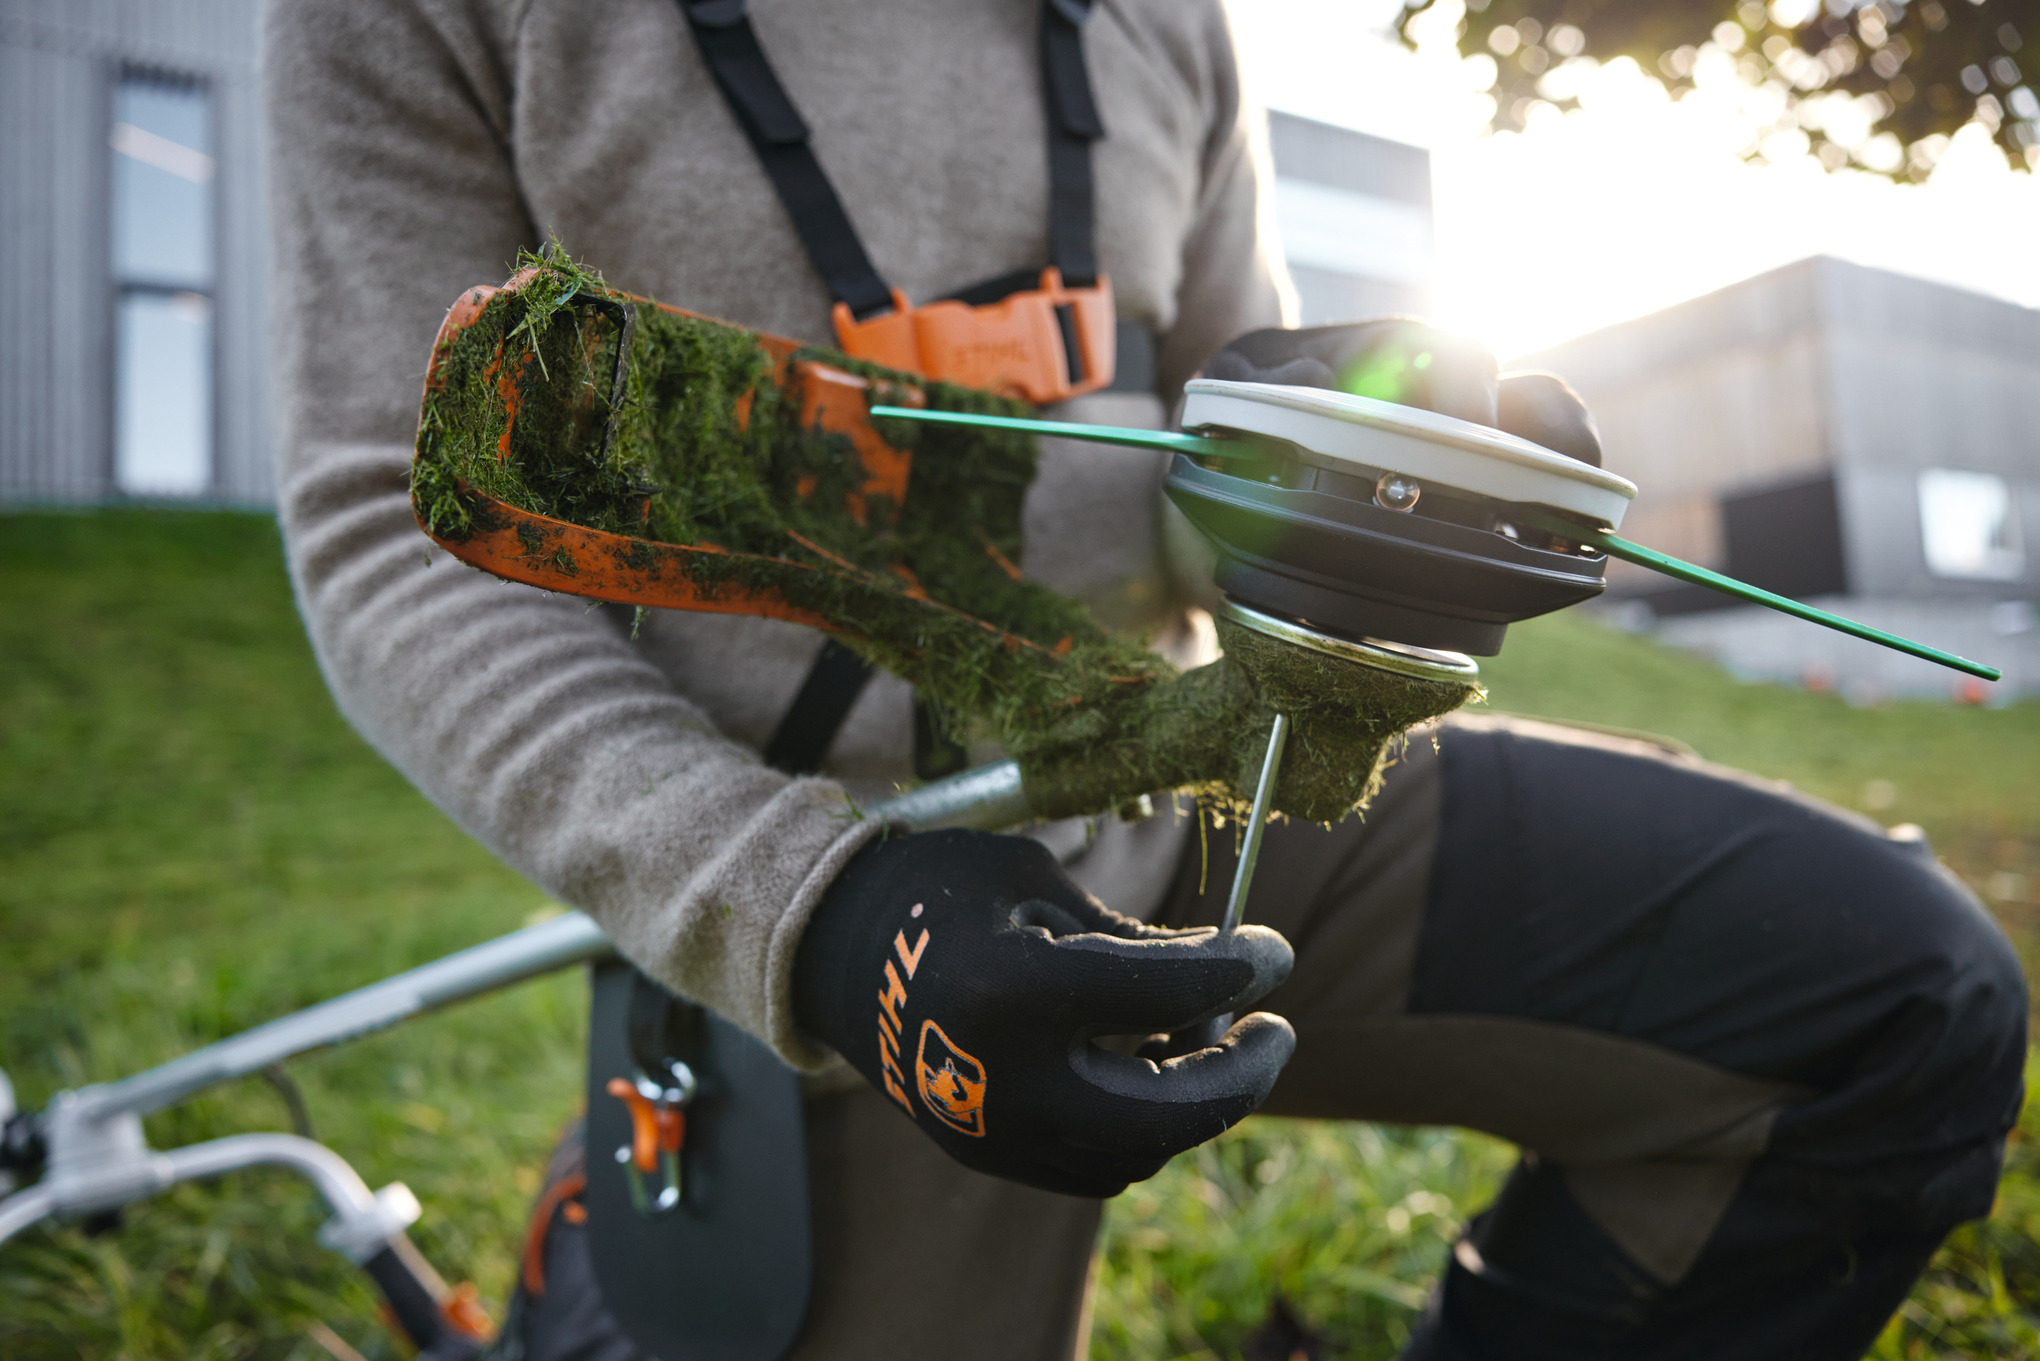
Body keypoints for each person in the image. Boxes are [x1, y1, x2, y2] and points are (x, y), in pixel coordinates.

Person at [263, 1, 2027, 1357]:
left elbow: (1203, 470)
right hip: (831, 938)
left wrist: (1338, 491)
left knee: (1892, 1001)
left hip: (1206, 804)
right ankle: (615, 1246)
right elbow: (386, 520)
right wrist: (809, 911)